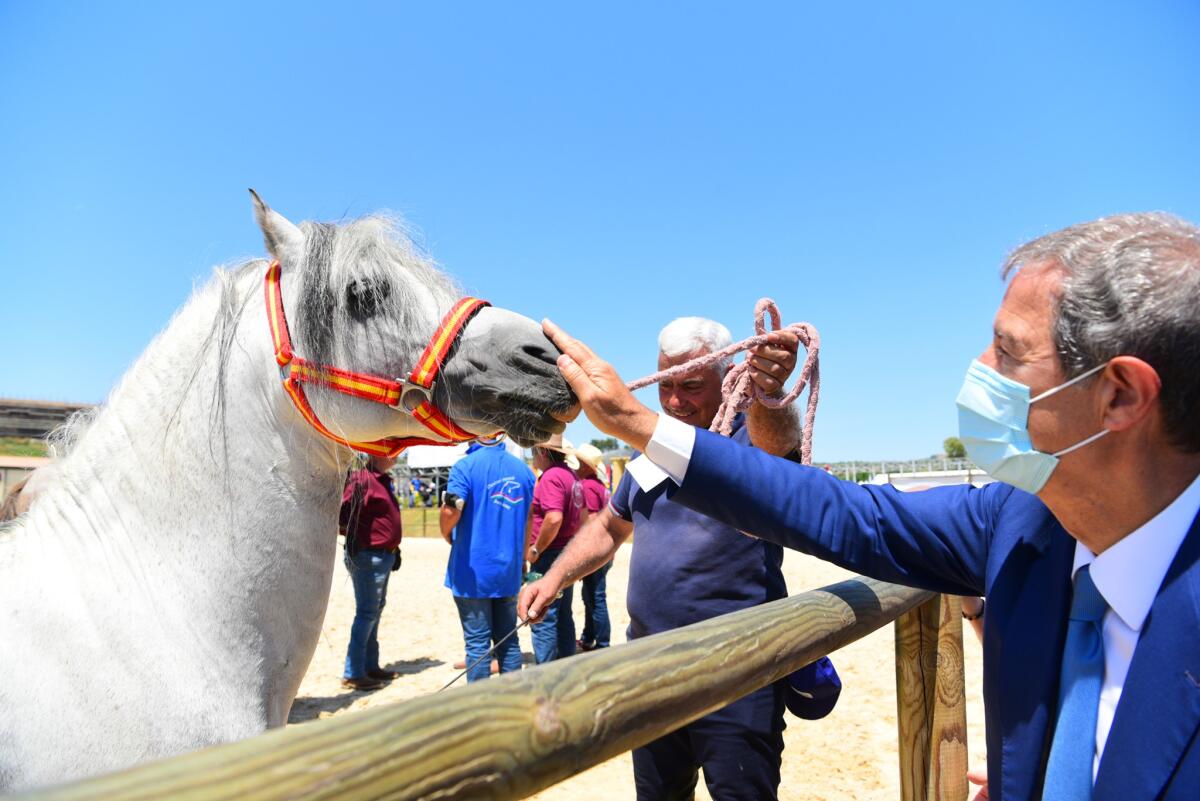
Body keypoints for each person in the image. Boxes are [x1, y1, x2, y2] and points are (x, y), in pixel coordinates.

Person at [541, 212, 1200, 800]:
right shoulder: (1021, 526)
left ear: (1119, 395)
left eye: (1008, 350)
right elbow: (842, 513)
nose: (977, 367)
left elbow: (781, 462)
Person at [521, 316, 840, 801]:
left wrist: (768, 391)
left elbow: (781, 448)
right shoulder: (650, 450)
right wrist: (555, 577)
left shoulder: (750, 439)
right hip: (651, 669)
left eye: (691, 385)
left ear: (727, 370)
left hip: (737, 668)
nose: (673, 400)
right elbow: (610, 525)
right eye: (665, 384)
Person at [440, 435, 536, 681]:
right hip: (508, 568)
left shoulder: (465, 466)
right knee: (509, 641)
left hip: (472, 569)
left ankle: (480, 705)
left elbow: (452, 509)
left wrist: (446, 532)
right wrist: (523, 557)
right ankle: (512, 699)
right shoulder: (523, 471)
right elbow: (528, 519)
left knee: (477, 645)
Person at [339, 454, 403, 691]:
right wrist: (359, 537)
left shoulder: (379, 479)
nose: (396, 456)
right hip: (369, 555)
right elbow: (344, 512)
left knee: (373, 611)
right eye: (393, 452)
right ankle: (354, 671)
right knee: (367, 613)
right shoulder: (363, 480)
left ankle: (368, 665)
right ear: (376, 453)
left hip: (383, 554)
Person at [528, 434, 587, 663]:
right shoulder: (571, 476)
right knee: (563, 614)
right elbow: (584, 518)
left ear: (543, 453)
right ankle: (566, 664)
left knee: (543, 614)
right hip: (566, 551)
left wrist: (536, 548)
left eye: (534, 453)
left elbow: (553, 518)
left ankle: (546, 670)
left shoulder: (551, 477)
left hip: (550, 553)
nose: (533, 458)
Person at [573, 443, 612, 651]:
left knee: (595, 597)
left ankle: (602, 643)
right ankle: (589, 637)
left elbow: (592, 519)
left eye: (580, 463)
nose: (577, 466)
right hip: (606, 549)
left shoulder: (587, 486)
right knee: (591, 595)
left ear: (588, 466)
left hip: (594, 548)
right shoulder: (599, 486)